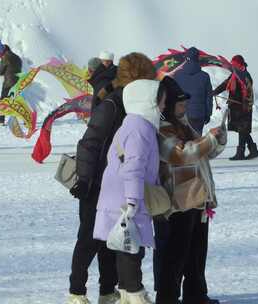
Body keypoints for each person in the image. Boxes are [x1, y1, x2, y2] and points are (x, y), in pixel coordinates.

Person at [67, 52, 157, 304]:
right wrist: (84, 180)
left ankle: (108, 290)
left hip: (119, 182)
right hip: (97, 181)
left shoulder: (139, 107)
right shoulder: (114, 104)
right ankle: (76, 292)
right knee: (89, 239)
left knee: (114, 239)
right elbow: (89, 142)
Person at [94, 79, 167, 304]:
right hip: (125, 199)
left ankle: (128, 294)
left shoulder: (134, 124)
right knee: (130, 251)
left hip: (120, 196)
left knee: (129, 249)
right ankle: (134, 295)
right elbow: (133, 167)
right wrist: (133, 201)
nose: (164, 106)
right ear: (148, 102)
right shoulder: (139, 129)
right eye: (161, 101)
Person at [154, 77, 225, 304]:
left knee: (196, 252)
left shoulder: (183, 124)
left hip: (197, 198)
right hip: (177, 201)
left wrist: (218, 139)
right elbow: (180, 154)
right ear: (167, 105)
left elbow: (205, 150)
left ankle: (196, 294)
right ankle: (168, 298)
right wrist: (209, 140)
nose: (185, 108)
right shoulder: (160, 129)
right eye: (181, 103)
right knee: (176, 254)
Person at [212, 55, 258, 160]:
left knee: (242, 130)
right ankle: (253, 150)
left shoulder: (246, 76)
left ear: (239, 64)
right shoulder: (234, 75)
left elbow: (249, 93)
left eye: (234, 64)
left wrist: (246, 104)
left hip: (244, 107)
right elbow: (225, 84)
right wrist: (215, 92)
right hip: (236, 107)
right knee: (242, 130)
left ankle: (241, 153)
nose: (233, 66)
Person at [173, 47, 213, 135]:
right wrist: (208, 114)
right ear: (197, 58)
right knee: (197, 143)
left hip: (181, 115)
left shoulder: (177, 75)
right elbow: (208, 97)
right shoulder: (205, 76)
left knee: (183, 142)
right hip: (198, 115)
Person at [0, 45, 23, 125]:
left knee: (2, 101)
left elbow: (0, 72)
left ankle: (1, 120)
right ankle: (25, 119)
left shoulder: (5, 57)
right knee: (16, 101)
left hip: (8, 83)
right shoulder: (17, 57)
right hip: (18, 82)